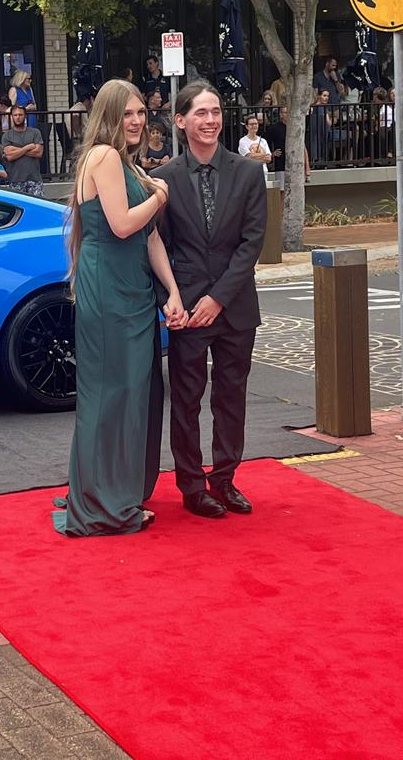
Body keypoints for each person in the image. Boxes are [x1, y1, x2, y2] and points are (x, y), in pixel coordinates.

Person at [52, 78, 186, 537]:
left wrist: (172, 291)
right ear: (109, 116)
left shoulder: (124, 162)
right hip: (108, 290)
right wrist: (160, 195)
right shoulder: (105, 157)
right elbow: (123, 224)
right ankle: (102, 503)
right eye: (127, 114)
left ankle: (115, 492)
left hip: (131, 290)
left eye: (140, 114)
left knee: (132, 394)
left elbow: (150, 238)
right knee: (111, 395)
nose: (136, 121)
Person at [151, 80, 266, 518]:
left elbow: (251, 243)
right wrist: (172, 301)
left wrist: (217, 299)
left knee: (231, 397)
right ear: (181, 121)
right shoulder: (162, 180)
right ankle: (192, 486)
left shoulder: (248, 173)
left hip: (234, 308)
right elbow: (157, 246)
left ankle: (226, 479)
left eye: (216, 112)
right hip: (187, 311)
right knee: (186, 399)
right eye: (200, 113)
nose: (211, 120)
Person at [266, 105, 311, 200]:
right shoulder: (274, 128)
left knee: (295, 191)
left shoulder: (296, 127)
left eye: (288, 112)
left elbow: (303, 147)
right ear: (281, 114)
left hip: (296, 164)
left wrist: (307, 168)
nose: (287, 115)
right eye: (284, 112)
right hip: (281, 163)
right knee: (282, 192)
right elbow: (264, 143)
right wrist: (272, 154)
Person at [0, 105, 44, 196]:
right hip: (16, 180)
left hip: (34, 179)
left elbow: (39, 153)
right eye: (15, 115)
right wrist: (28, 147)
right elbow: (9, 156)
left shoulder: (35, 132)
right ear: (11, 117)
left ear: (25, 116)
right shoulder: (7, 136)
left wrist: (15, 149)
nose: (18, 117)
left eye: (20, 115)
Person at [238, 115, 272, 181]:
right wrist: (263, 155)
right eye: (251, 124)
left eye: (256, 124)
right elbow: (248, 156)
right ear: (247, 126)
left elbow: (269, 158)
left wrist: (254, 158)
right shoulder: (243, 141)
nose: (254, 126)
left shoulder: (263, 141)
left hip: (263, 172)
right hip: (249, 173)